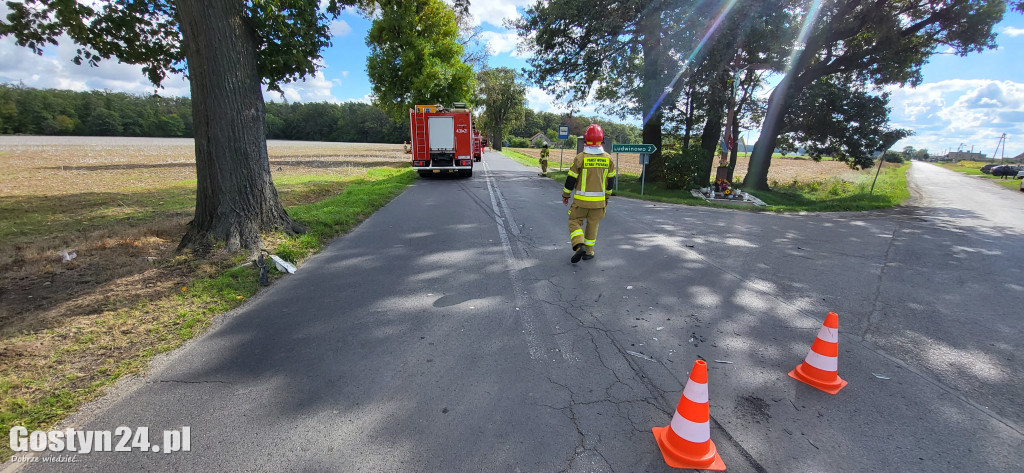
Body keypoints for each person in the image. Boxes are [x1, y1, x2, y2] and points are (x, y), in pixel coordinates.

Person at [562, 124, 616, 263]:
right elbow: (610, 182)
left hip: (581, 202)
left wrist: (566, 195)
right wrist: (607, 197)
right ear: (601, 140)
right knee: (593, 224)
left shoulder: (580, 158)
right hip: (599, 203)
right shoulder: (608, 159)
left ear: (586, 140)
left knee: (574, 221)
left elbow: (571, 179)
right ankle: (589, 252)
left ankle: (579, 245)